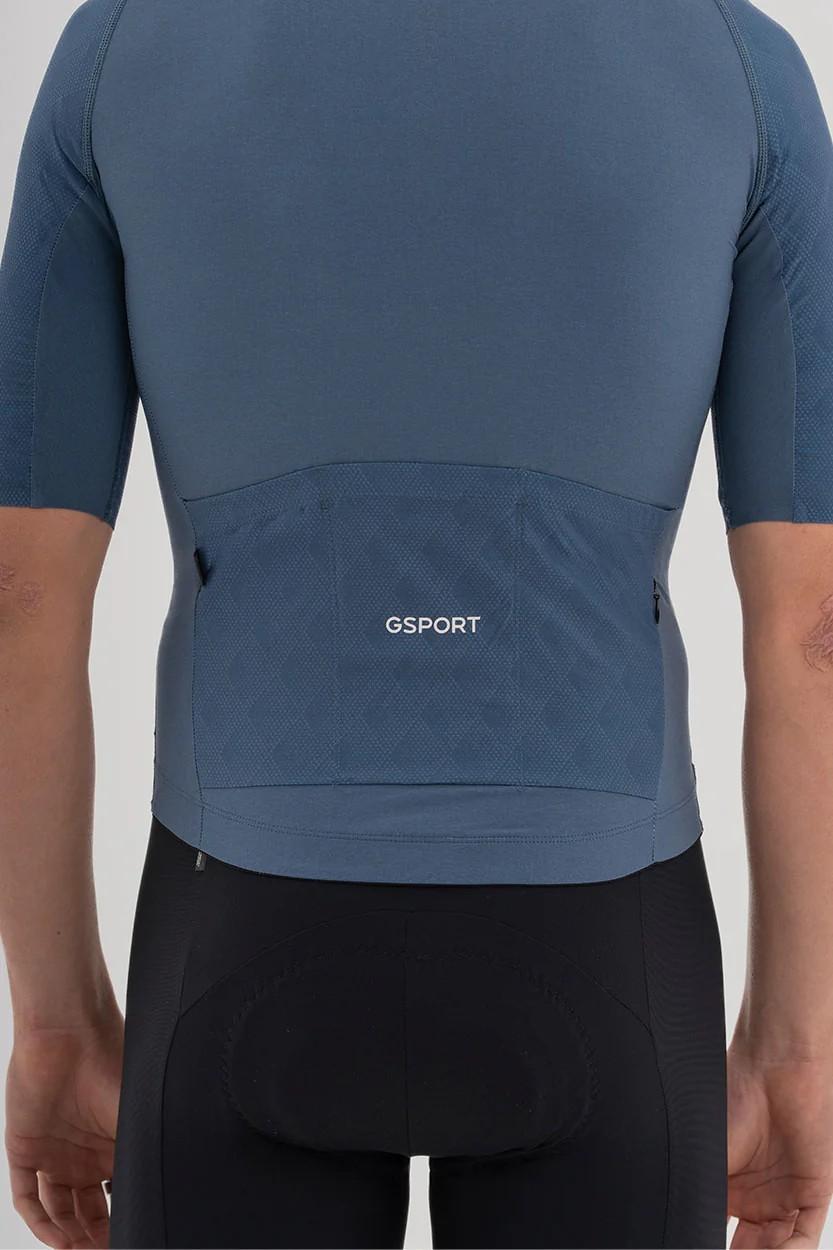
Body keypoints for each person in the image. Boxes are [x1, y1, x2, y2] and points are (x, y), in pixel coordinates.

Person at [1, 0, 833, 1246]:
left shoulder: (124, 46)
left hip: (235, 933)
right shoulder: (737, 64)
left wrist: (58, 1023)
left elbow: (20, 597)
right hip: (607, 945)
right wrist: (792, 1048)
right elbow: (813, 628)